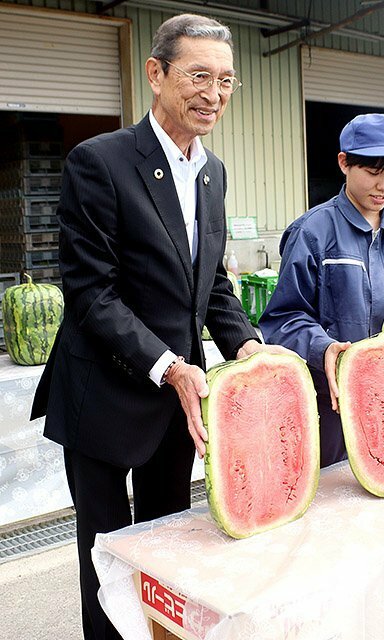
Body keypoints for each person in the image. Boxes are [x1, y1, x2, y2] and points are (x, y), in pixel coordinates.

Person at [31, 13, 288, 640]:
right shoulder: (99, 162)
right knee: (108, 555)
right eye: (199, 75)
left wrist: (248, 344)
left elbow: (211, 286)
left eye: (227, 81)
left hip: (179, 400)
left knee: (169, 551)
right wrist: (169, 366)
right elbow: (92, 293)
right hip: (103, 392)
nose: (214, 94)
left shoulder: (213, 172)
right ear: (157, 74)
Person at [259, 113, 384, 468]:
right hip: (328, 406)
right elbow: (283, 318)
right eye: (373, 172)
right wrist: (323, 347)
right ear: (344, 163)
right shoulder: (311, 233)